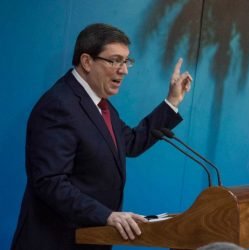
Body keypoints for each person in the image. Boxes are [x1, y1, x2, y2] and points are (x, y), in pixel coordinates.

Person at [11, 23, 192, 250]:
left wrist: (172, 101)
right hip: (56, 241)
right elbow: (50, 182)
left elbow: (131, 143)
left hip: (91, 239)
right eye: (115, 60)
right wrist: (106, 215)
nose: (124, 69)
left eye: (126, 61)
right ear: (87, 61)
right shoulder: (59, 105)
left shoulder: (100, 105)